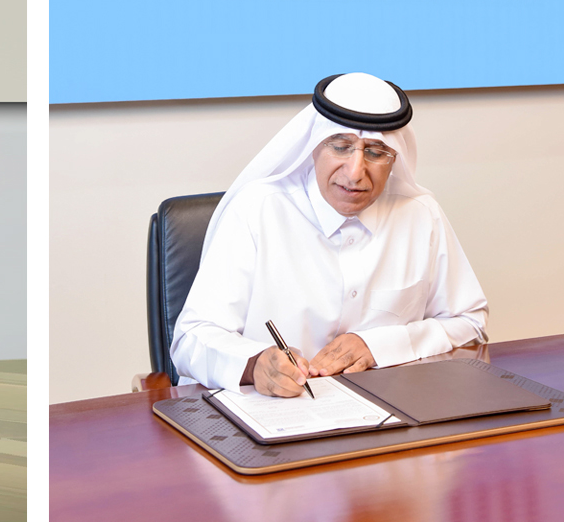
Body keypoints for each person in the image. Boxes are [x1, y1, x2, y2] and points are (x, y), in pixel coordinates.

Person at [169, 72, 488, 397]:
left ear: (394, 160)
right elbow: (192, 339)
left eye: (376, 152)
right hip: (273, 420)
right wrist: (254, 364)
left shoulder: (420, 213)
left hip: (389, 417)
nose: (355, 172)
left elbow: (470, 322)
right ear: (314, 146)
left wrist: (377, 345)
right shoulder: (257, 209)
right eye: (341, 147)